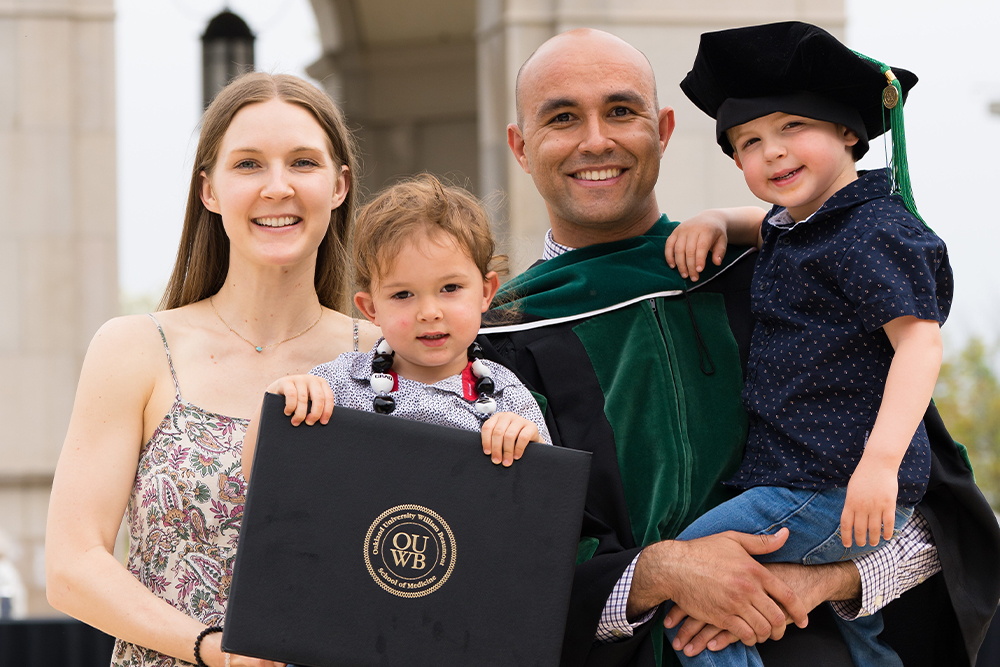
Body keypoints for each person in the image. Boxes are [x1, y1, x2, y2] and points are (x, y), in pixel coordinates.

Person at [480, 27, 1000, 667]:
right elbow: (497, 563)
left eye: (621, 111)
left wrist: (825, 580)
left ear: (664, 130)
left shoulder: (787, 281)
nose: (596, 140)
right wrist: (661, 574)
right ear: (521, 146)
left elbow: (935, 517)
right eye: (562, 118)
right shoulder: (495, 345)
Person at [45, 72, 379, 667]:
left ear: (339, 185)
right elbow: (72, 566)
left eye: (303, 163)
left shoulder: (388, 359)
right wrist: (213, 651)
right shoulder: (136, 348)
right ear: (210, 190)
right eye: (248, 164)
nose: (278, 187)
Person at [659, 22, 950, 667]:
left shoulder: (872, 230)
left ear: (849, 131)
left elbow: (920, 345)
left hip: (834, 481)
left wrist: (877, 466)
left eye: (793, 128)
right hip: (810, 478)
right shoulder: (807, 223)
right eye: (749, 142)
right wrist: (711, 219)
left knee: (695, 583)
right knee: (860, 634)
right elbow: (764, 226)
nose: (773, 153)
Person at [243, 174, 550, 478]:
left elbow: (549, 505)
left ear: (485, 292)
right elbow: (258, 477)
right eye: (403, 294)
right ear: (371, 308)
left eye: (450, 288)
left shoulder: (507, 399)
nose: (429, 313)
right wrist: (278, 401)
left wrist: (531, 449)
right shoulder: (338, 386)